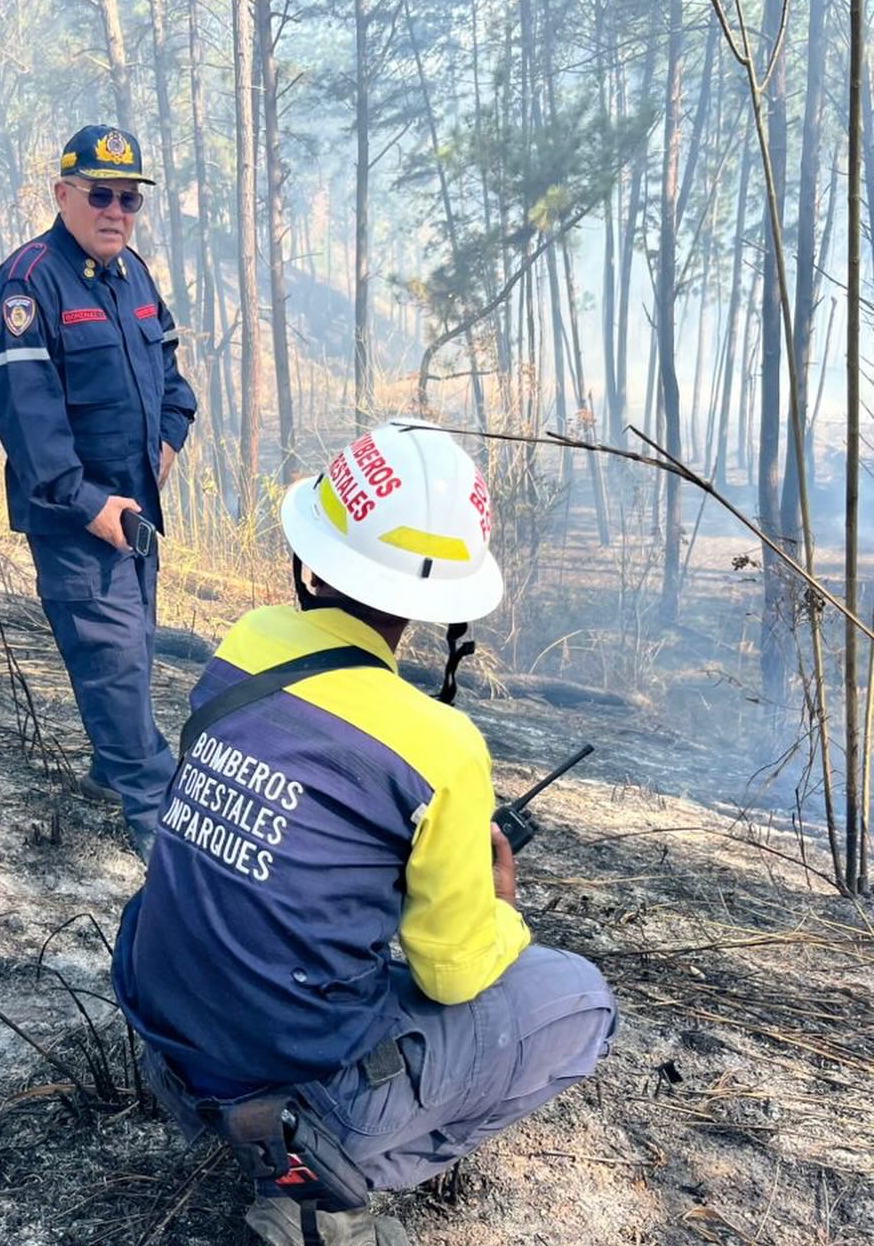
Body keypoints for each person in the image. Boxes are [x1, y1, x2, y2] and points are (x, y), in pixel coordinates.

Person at [112, 419, 616, 1245]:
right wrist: (500, 906)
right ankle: (328, 1192)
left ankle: (287, 1146)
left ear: (315, 552)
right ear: (446, 605)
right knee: (581, 1003)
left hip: (166, 1050)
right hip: (281, 1088)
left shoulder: (245, 647)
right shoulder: (443, 748)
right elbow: (452, 974)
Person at [0, 125, 197, 861]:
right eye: (100, 194)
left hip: (137, 512)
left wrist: (169, 441)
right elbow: (25, 413)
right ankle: (157, 817)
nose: (116, 211)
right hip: (78, 520)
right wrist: (87, 503)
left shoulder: (133, 273)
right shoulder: (28, 281)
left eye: (129, 198)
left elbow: (173, 380)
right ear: (63, 195)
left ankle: (110, 770)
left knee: (131, 647)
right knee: (114, 660)